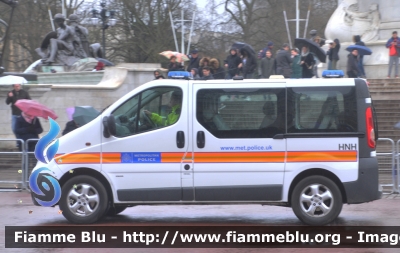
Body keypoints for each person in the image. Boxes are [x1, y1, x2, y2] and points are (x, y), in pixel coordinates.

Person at [5, 83, 31, 148]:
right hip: (14, 113)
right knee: (14, 128)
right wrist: (10, 97)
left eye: (18, 86)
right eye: (16, 86)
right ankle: (19, 140)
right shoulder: (11, 93)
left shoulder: (24, 92)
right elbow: (7, 102)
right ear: (13, 86)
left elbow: (30, 101)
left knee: (22, 129)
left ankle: (23, 141)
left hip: (23, 114)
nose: (17, 87)